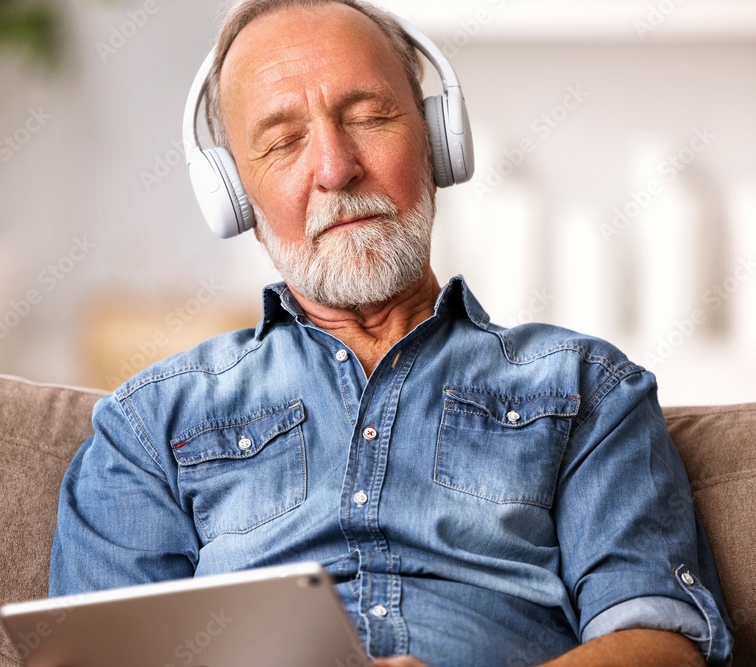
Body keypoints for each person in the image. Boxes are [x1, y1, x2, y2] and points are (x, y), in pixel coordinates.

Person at [49, 1, 733, 664]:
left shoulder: (587, 387)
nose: (335, 168)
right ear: (236, 199)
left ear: (439, 142)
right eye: (284, 141)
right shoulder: (146, 427)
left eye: (370, 117)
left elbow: (660, 642)